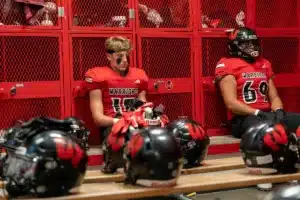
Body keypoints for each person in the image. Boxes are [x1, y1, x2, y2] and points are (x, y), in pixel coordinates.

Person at [214, 27, 300, 191]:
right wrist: (257, 112)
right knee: (265, 132)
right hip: (244, 118)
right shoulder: (226, 64)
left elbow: (274, 97)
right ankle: (264, 172)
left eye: (254, 43)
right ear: (235, 46)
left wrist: (278, 111)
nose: (252, 48)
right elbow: (231, 103)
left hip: (266, 113)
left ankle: (290, 166)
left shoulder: (264, 63)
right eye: (247, 44)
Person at [85, 36, 149, 141]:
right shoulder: (97, 75)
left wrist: (151, 116)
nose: (124, 60)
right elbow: (98, 119)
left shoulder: (139, 75)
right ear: (109, 56)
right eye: (119, 56)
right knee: (127, 139)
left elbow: (143, 106)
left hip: (136, 124)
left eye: (126, 55)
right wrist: (122, 121)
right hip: (112, 125)